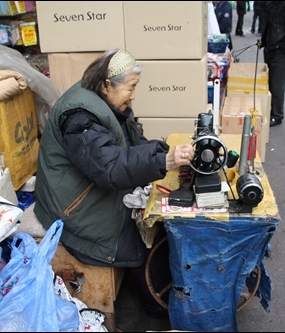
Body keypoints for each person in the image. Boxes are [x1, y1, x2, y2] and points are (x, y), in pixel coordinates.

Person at [34, 48, 194, 316]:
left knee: (162, 219)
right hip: (74, 209)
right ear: (107, 84)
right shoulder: (79, 117)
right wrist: (163, 161)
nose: (133, 94)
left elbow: (130, 144)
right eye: (131, 87)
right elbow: (109, 168)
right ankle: (157, 306)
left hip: (84, 191)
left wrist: (163, 153)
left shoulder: (105, 101)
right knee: (142, 242)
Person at [260, 1, 285, 127]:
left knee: (276, 84)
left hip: (280, 51)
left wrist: (282, 48)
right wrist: (264, 42)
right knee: (270, 81)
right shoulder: (274, 4)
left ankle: (277, 115)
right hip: (271, 48)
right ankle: (271, 110)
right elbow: (269, 26)